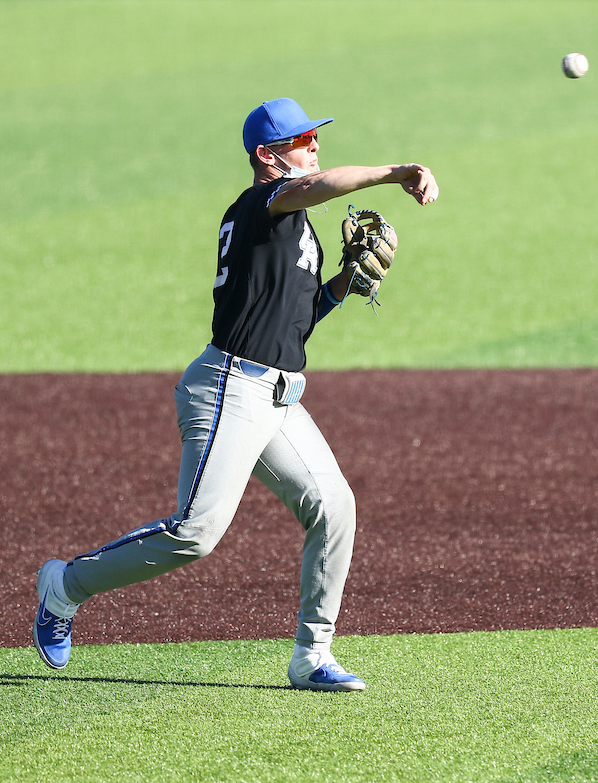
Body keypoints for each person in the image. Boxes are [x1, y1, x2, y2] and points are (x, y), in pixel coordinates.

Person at [33, 97, 438, 691]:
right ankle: (63, 586)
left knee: (334, 507)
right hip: (227, 388)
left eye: (314, 137)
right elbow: (320, 184)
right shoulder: (264, 204)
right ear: (268, 156)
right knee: (194, 533)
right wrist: (397, 172)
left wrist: (341, 287)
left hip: (274, 395)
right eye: (303, 141)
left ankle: (312, 656)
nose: (315, 147)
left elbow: (290, 326)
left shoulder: (295, 232)